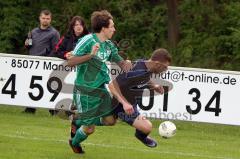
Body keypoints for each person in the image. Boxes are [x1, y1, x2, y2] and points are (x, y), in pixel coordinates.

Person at [67, 10, 132, 154]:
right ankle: (74, 142)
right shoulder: (87, 40)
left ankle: (79, 119)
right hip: (85, 90)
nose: (114, 29)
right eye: (112, 26)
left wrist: (127, 64)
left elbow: (120, 63)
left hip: (101, 90)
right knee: (89, 129)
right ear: (103, 28)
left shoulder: (109, 45)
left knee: (111, 121)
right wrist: (90, 55)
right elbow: (70, 63)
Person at [108, 48, 172, 148]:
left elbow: (145, 76)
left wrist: (153, 85)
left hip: (130, 105)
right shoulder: (136, 71)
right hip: (119, 104)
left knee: (146, 127)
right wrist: (124, 103)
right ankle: (77, 117)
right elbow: (112, 85)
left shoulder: (146, 65)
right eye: (165, 67)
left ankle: (141, 136)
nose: (165, 70)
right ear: (157, 64)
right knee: (103, 123)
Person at [24, 9, 60, 114]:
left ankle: (53, 110)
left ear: (50, 20)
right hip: (32, 63)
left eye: (47, 18)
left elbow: (55, 50)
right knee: (32, 85)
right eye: (43, 18)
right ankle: (30, 108)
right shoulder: (33, 32)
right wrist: (26, 44)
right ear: (40, 18)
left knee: (48, 87)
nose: (45, 20)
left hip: (45, 63)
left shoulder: (54, 33)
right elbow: (29, 47)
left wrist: (46, 60)